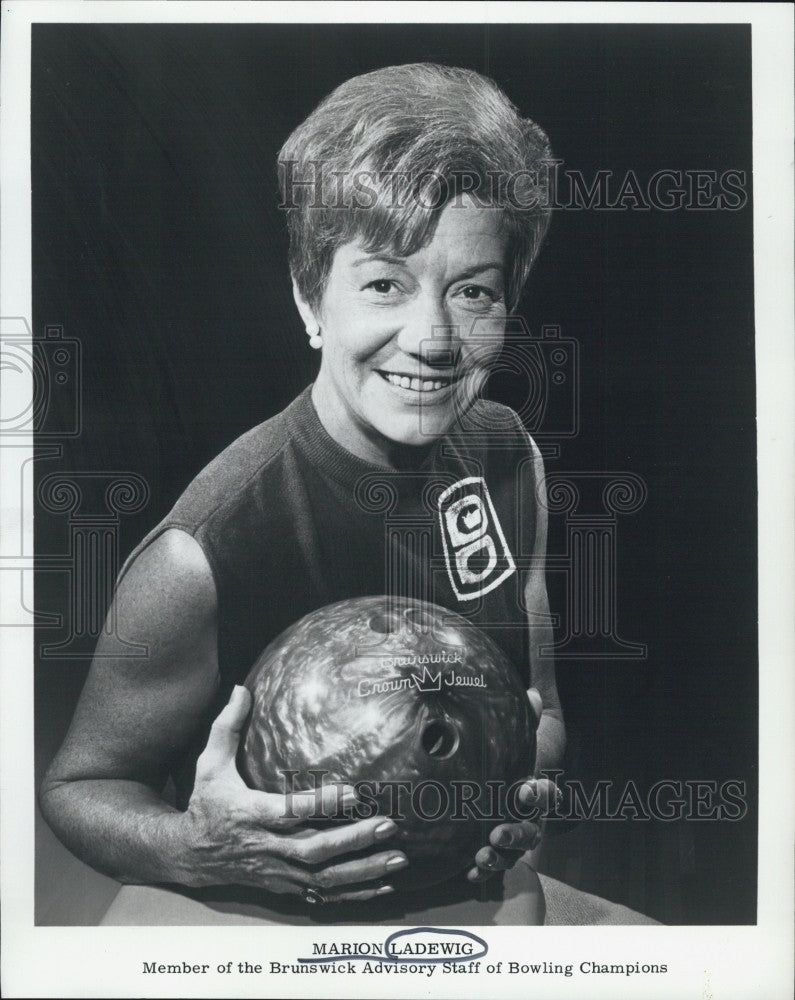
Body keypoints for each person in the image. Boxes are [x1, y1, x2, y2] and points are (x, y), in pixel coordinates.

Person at [39, 63, 657, 926]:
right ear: (308, 298)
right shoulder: (206, 546)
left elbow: (540, 711)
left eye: (473, 291)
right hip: (253, 905)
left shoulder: (509, 458)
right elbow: (79, 788)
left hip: (457, 896)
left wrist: (518, 793)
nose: (434, 337)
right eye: (384, 284)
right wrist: (196, 847)